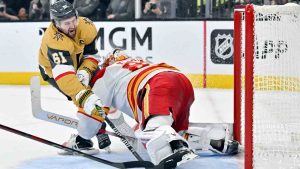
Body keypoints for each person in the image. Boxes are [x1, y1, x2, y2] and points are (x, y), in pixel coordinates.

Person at [69, 49, 240, 166]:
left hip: (157, 86)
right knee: (171, 132)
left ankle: (176, 150)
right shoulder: (128, 64)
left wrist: (80, 139)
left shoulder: (102, 78)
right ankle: (217, 141)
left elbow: (89, 122)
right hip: (180, 81)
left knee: (151, 133)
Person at [38, 0, 111, 155]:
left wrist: (84, 71)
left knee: (100, 87)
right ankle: (85, 139)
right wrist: (85, 97)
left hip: (78, 63)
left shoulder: (86, 26)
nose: (72, 26)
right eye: (66, 23)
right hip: (54, 71)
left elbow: (91, 55)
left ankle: (96, 124)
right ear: (56, 23)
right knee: (81, 96)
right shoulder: (53, 40)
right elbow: (65, 78)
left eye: (73, 20)